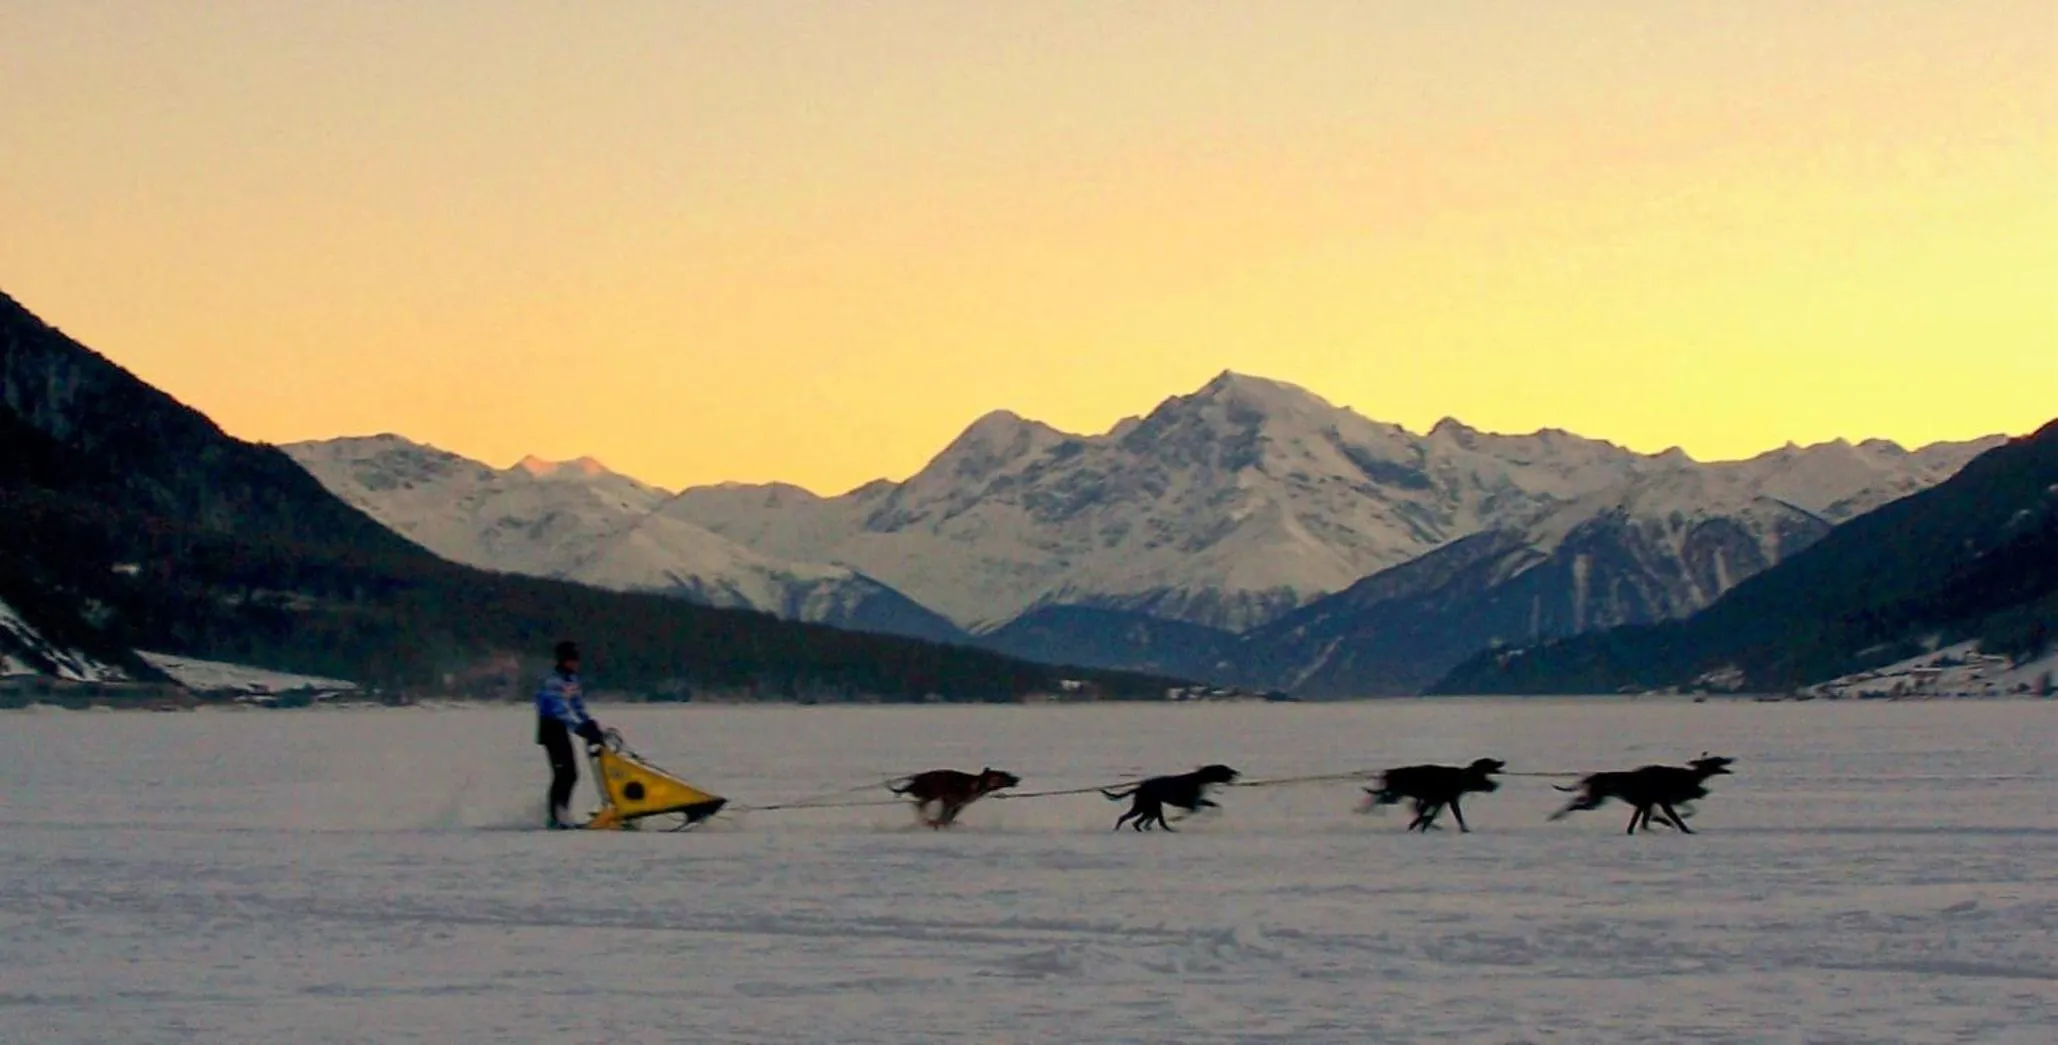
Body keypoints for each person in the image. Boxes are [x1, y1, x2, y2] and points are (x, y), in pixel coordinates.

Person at [536, 639, 605, 829]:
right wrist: (580, 728)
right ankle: (557, 817)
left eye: (576, 660)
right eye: (571, 660)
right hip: (550, 728)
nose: (575, 664)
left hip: (563, 727)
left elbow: (576, 705)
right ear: (563, 660)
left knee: (570, 773)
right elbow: (560, 710)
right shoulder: (552, 682)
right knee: (564, 773)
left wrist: (589, 722)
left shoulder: (572, 680)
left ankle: (562, 813)